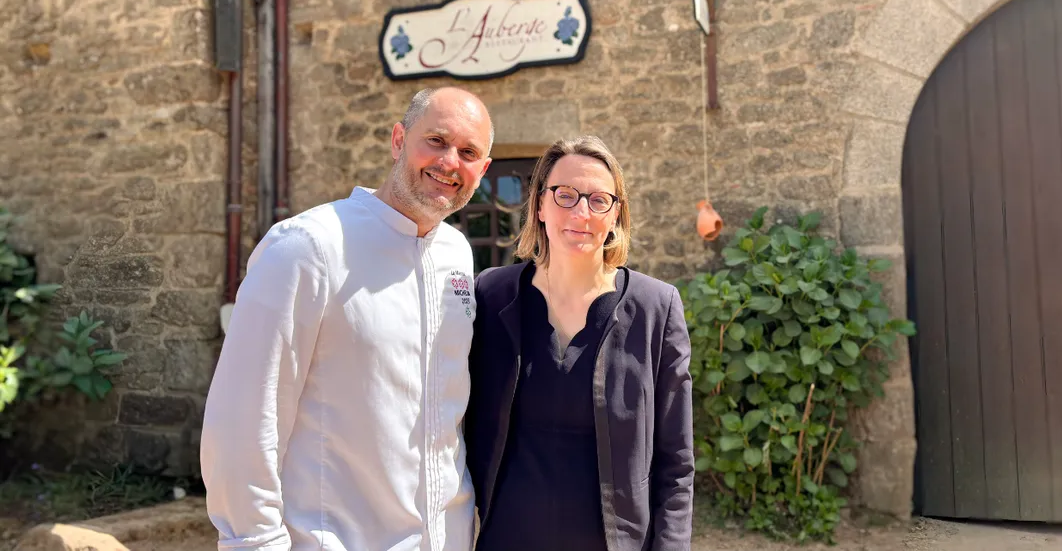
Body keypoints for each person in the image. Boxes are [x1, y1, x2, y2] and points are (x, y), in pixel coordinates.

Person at [200, 86, 494, 551]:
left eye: (468, 152)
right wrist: (254, 542)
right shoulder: (308, 248)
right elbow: (243, 421)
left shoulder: (457, 254)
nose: (449, 162)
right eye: (435, 141)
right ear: (399, 140)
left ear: (483, 170)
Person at [464, 135, 694, 551]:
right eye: (565, 195)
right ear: (539, 204)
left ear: (615, 214)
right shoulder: (491, 297)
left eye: (598, 200)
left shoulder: (656, 308)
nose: (581, 213)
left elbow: (676, 464)